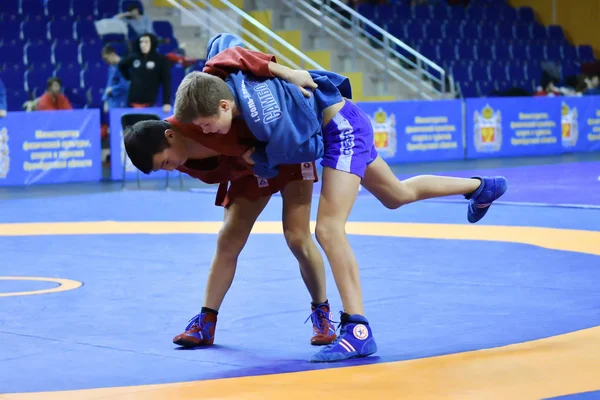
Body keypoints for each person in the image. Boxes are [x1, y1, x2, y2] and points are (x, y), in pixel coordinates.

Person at [173, 33, 508, 363]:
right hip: (344, 121)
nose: (206, 132)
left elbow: (307, 149)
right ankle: (479, 186)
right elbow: (232, 49)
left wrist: (255, 158)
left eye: (207, 124)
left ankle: (357, 330)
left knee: (328, 229)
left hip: (339, 129)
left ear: (224, 104)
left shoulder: (259, 109)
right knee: (397, 194)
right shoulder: (228, 83)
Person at [123, 115, 336, 348]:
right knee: (227, 240)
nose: (172, 169)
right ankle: (205, 323)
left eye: (165, 162)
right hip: (249, 171)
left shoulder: (198, 117)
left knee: (297, 237)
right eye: (162, 168)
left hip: (286, 153)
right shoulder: (178, 155)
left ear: (170, 135)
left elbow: (239, 101)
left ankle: (322, 313)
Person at [118, 33, 172, 113]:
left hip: (150, 103)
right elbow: (121, 65)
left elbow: (166, 82)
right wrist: (129, 78)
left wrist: (166, 102)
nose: (143, 45)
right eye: (141, 42)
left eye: (146, 42)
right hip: (132, 102)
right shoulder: (134, 57)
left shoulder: (161, 60)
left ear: (152, 43)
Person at [101, 45, 130, 110]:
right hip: (112, 102)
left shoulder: (125, 64)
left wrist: (112, 89)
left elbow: (125, 85)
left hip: (122, 101)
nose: (106, 62)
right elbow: (109, 84)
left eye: (106, 59)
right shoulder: (111, 67)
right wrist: (105, 100)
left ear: (112, 54)